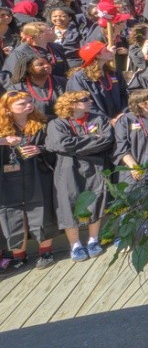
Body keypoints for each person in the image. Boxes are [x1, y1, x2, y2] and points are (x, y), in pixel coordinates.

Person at [44, 92, 115, 262]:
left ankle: (93, 240)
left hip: (95, 166)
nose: (91, 101)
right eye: (85, 100)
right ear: (71, 104)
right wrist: (92, 140)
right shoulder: (57, 123)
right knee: (69, 203)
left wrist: (77, 143)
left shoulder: (98, 119)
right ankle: (75, 245)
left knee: (95, 200)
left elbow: (106, 140)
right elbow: (61, 144)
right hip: (68, 169)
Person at [0, 92, 56, 271]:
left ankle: (46, 252)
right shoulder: (2, 128)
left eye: (30, 102)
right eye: (21, 104)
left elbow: (56, 144)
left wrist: (40, 149)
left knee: (42, 209)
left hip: (38, 172)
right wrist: (3, 140)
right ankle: (19, 256)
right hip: (8, 176)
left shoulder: (44, 123)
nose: (28, 106)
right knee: (12, 214)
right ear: (8, 110)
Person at [112, 89, 148, 184]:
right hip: (135, 170)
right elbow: (121, 147)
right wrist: (134, 168)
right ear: (141, 104)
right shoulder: (126, 120)